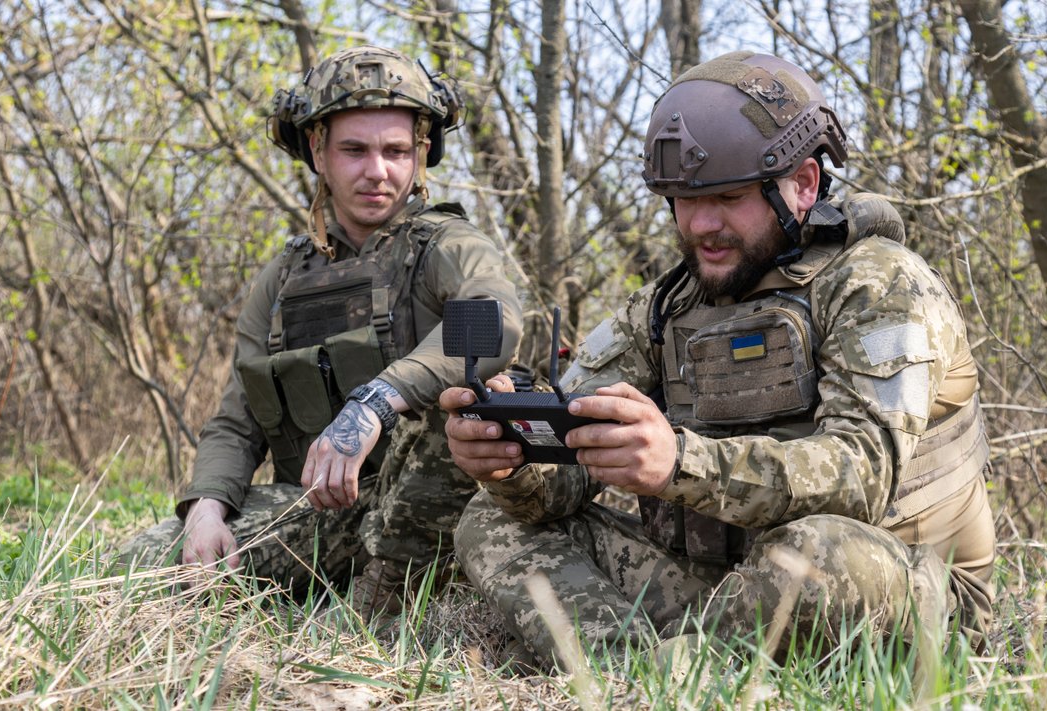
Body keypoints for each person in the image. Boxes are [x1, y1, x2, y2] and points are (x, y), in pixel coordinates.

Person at [440, 51, 995, 667]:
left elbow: (862, 477)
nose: (701, 224)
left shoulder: (878, 283)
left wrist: (680, 460)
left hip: (901, 594)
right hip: (724, 592)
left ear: (804, 185)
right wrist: (513, 458)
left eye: (728, 197)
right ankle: (627, 672)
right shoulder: (663, 308)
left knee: (817, 551)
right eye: (682, 199)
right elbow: (565, 472)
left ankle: (683, 673)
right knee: (490, 520)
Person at [121, 45, 522, 616]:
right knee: (144, 563)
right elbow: (238, 420)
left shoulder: (447, 247)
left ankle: (384, 605)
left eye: (397, 151)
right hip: (328, 514)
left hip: (435, 513)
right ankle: (335, 588)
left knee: (459, 404)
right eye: (354, 150)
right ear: (318, 151)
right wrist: (207, 508)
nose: (377, 171)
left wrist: (375, 402)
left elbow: (492, 324)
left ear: (421, 154)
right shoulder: (283, 278)